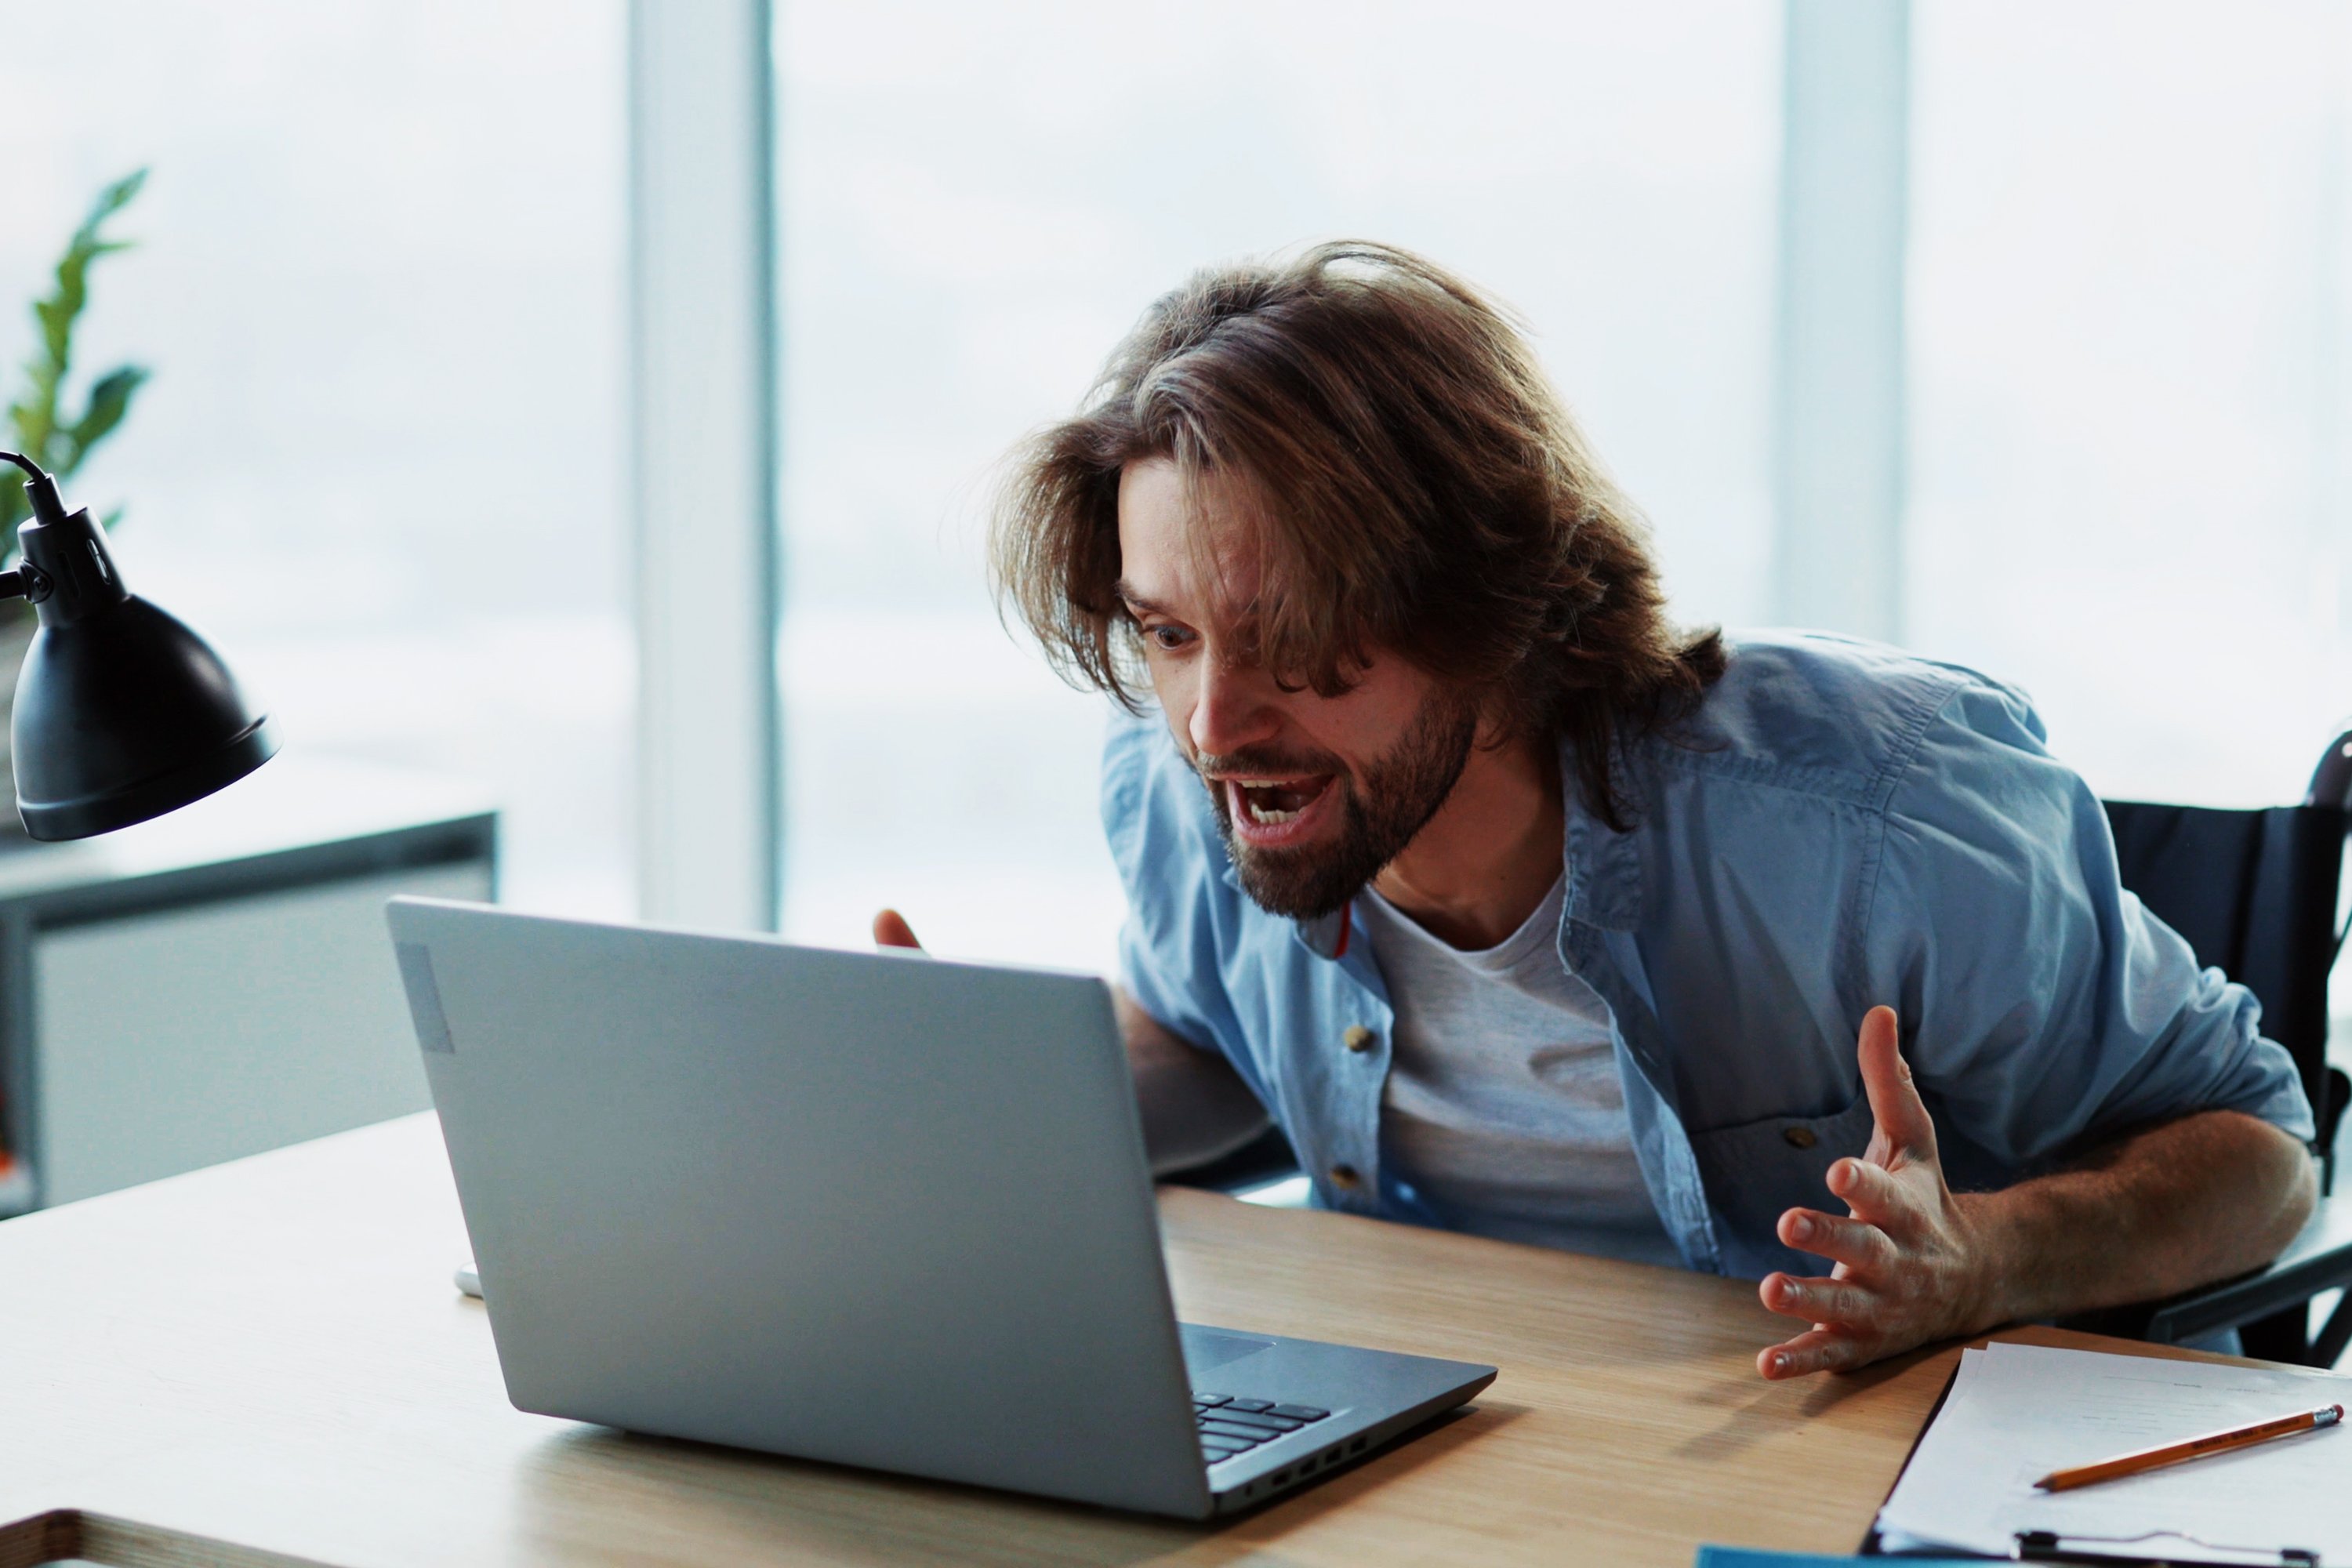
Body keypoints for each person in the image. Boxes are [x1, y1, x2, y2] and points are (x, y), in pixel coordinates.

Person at [877, 241, 2317, 1380]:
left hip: (1829, 1461)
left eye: (1295, 634)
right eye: (1170, 634)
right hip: (1443, 1437)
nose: (1214, 724)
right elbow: (1216, 1052)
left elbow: (2261, 1159)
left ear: (1495, 607)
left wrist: (1987, 1261)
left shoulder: (1881, 818)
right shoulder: (1188, 789)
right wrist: (978, 1099)